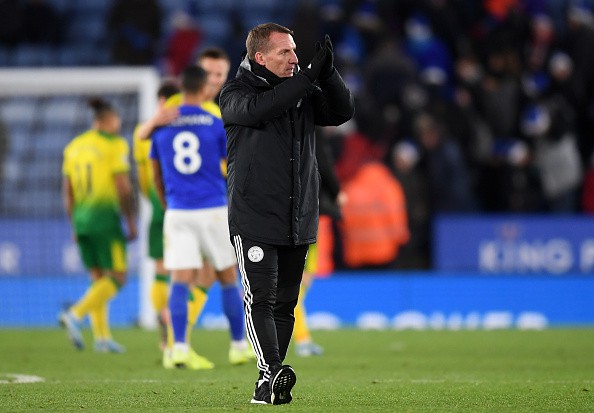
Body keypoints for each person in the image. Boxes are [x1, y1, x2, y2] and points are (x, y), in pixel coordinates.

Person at [220, 23, 354, 405]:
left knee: (285, 302)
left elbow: (342, 111)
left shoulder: (302, 90)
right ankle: (272, 370)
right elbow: (264, 108)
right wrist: (309, 77)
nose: (295, 58)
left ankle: (267, 386)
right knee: (260, 299)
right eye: (285, 52)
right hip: (254, 216)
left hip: (297, 215)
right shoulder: (235, 94)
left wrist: (328, 74)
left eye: (296, 51)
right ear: (260, 57)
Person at [138, 48, 254, 366]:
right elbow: (232, 163)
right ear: (203, 87)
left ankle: (178, 347)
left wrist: (168, 204)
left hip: (178, 211)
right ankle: (237, 345)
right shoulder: (214, 121)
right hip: (212, 208)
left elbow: (156, 175)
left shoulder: (164, 123)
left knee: (179, 280)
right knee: (228, 277)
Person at [59, 98, 137, 353]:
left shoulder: (73, 147)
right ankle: (75, 314)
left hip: (81, 220)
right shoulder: (114, 144)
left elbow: (67, 191)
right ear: (108, 120)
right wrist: (130, 221)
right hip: (104, 219)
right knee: (118, 277)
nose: (119, 124)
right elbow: (123, 187)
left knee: (98, 279)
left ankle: (102, 338)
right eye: (117, 120)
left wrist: (74, 224)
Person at [133, 81, 179, 351]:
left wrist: (152, 199)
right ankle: (174, 328)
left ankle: (164, 320)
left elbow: (143, 176)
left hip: (157, 203)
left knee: (161, 270)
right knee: (192, 272)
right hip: (183, 203)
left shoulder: (143, 131)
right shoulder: (180, 125)